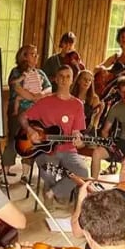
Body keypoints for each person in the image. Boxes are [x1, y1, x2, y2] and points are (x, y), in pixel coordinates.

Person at [19, 65, 88, 206]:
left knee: (83, 171)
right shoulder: (45, 102)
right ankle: (55, 189)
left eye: (68, 76)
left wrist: (79, 140)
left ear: (72, 80)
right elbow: (22, 117)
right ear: (55, 79)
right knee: (48, 170)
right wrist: (30, 130)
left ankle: (52, 192)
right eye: (61, 76)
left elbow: (76, 132)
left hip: (69, 150)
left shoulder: (77, 105)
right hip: (46, 150)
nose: (64, 79)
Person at [1, 45, 52, 177]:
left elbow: (49, 88)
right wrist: (34, 97)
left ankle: (25, 173)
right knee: (14, 137)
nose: (36, 56)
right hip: (19, 109)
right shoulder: (17, 72)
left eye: (36, 54)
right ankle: (4, 172)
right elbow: (17, 88)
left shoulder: (40, 73)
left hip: (36, 111)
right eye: (32, 54)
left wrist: (41, 94)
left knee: (31, 139)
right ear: (24, 56)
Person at [72, 69, 103, 134]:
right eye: (84, 79)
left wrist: (100, 112)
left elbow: (95, 122)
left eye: (89, 80)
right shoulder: (71, 96)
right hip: (71, 129)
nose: (87, 81)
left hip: (87, 131)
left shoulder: (94, 98)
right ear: (78, 80)